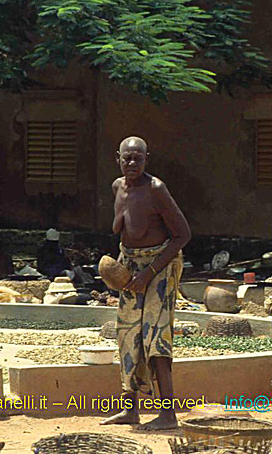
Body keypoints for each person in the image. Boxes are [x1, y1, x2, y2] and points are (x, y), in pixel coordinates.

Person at [101, 136, 191, 431]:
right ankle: (130, 409)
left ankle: (168, 413)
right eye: (127, 158)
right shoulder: (117, 186)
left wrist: (150, 272)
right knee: (128, 337)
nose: (132, 163)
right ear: (118, 158)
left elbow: (182, 235)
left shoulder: (156, 189)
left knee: (156, 340)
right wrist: (122, 270)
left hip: (160, 268)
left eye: (137, 158)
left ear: (146, 159)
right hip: (130, 266)